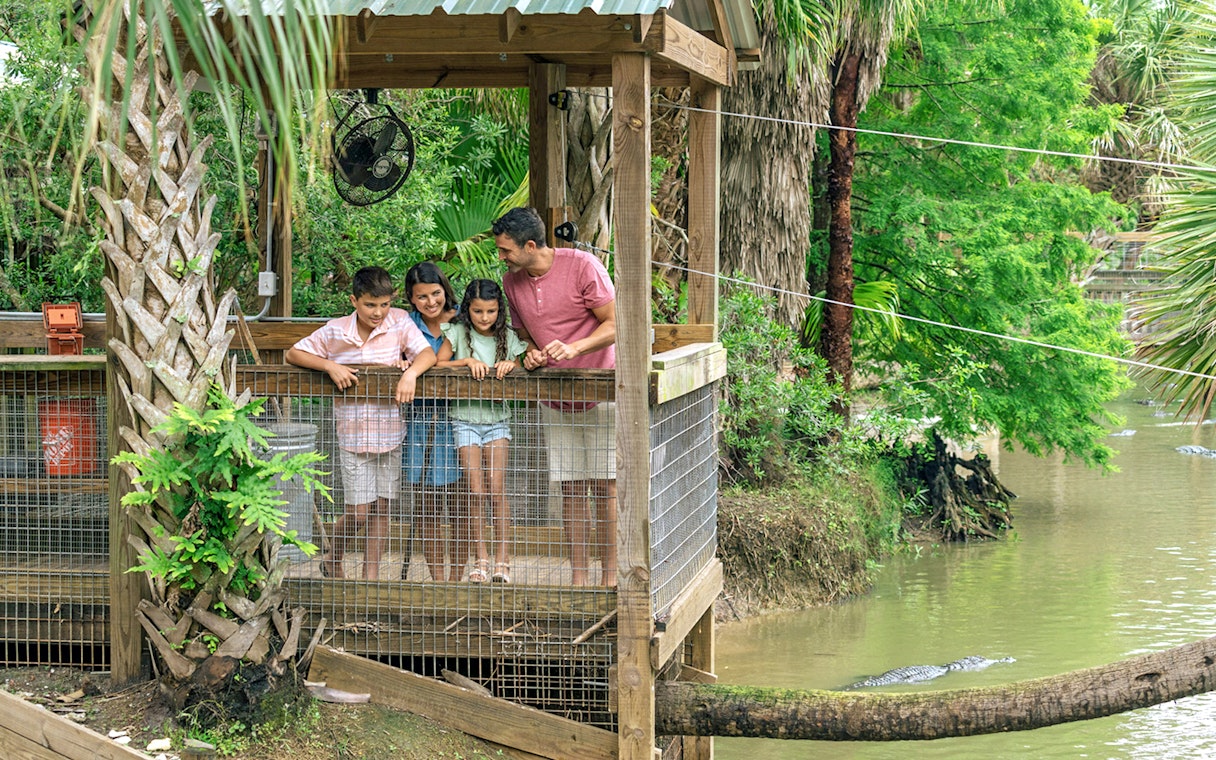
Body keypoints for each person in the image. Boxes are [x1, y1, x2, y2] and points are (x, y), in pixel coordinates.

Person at [493, 207, 618, 587]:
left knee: (605, 485)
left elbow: (616, 322)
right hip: (555, 396)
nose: (502, 257)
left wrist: (577, 347)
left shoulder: (583, 265)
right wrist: (530, 351)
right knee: (571, 486)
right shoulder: (511, 282)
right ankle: (579, 579)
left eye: (506, 250)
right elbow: (526, 333)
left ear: (531, 245)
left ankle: (609, 578)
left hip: (602, 388)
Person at [285, 266, 436, 580]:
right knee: (358, 511)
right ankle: (333, 556)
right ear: (354, 300)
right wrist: (329, 366)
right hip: (353, 435)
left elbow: (426, 354)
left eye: (383, 304)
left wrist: (409, 373)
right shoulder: (336, 330)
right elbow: (293, 353)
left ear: (391, 300)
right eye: (370, 305)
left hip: (390, 432)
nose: (378, 312)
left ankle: (371, 577)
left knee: (383, 507)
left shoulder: (399, 322)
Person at [437, 279, 528, 584]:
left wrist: (508, 366)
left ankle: (503, 560)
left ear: (499, 310)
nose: (484, 317)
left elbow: (519, 362)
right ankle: (482, 559)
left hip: (497, 421)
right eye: (478, 311)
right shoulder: (458, 333)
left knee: (496, 489)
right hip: (464, 419)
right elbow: (439, 364)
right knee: (475, 491)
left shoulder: (508, 337)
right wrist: (465, 362)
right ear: (468, 309)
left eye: (490, 311)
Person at [403, 262, 468, 582]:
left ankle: (456, 578)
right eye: (422, 296)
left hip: (460, 419)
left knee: (461, 505)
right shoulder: (405, 324)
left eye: (436, 293)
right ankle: (437, 581)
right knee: (427, 506)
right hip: (419, 420)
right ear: (412, 299)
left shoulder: (464, 318)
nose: (431, 302)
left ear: (445, 289)